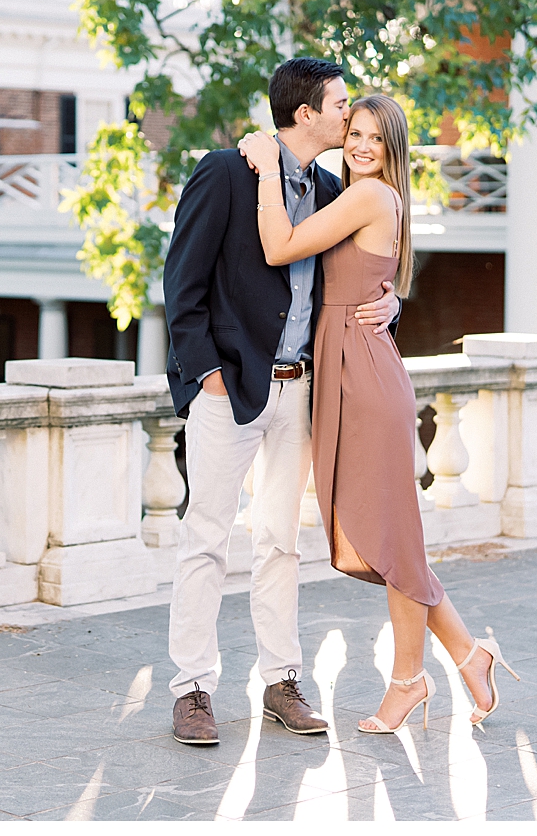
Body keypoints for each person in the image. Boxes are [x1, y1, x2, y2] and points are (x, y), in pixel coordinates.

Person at [237, 94, 519, 734]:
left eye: (375, 137)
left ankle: (409, 683)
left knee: (391, 538)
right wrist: (388, 300)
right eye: (354, 131)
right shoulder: (354, 192)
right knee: (392, 536)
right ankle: (470, 656)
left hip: (361, 377)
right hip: (348, 367)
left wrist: (262, 162)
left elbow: (279, 247)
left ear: (394, 148)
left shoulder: (368, 197)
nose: (361, 144)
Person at [163, 57, 400, 746]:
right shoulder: (225, 172)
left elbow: (362, 272)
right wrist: (204, 370)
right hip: (228, 387)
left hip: (301, 391)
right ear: (306, 115)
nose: (348, 116)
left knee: (280, 542)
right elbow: (183, 282)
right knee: (206, 536)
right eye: (339, 104)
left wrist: (395, 300)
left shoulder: (334, 188)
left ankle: (280, 680)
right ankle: (193, 688)